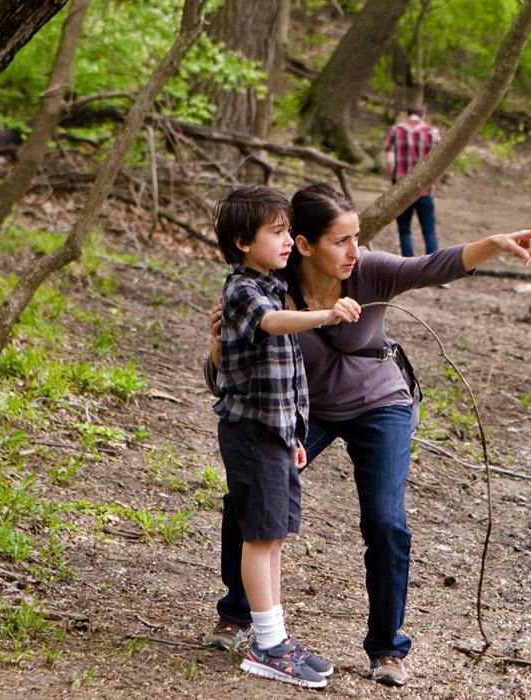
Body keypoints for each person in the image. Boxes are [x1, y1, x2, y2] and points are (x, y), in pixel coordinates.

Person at [205, 183, 531, 687]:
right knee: (248, 496)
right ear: (303, 245)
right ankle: (239, 618)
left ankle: (387, 648)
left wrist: (495, 243)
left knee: (386, 521)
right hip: (306, 410)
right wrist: (218, 340)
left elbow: (435, 264)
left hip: (380, 404)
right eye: (340, 241)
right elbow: (228, 368)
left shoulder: (370, 271)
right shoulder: (271, 286)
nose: (354, 251)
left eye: (357, 238)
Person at [211, 186, 361, 689]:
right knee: (260, 535)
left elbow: (288, 375)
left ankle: (273, 635)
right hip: (249, 432)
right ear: (241, 241)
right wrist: (325, 314)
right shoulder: (243, 291)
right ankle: (268, 644)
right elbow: (271, 327)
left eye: (285, 231)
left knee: (273, 535)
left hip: (274, 433)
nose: (284, 241)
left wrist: (295, 433)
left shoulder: (272, 284)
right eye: (274, 233)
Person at [384, 106, 441, 257]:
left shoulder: (396, 130)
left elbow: (390, 161)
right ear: (423, 116)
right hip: (426, 191)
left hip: (402, 191)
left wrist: (394, 182)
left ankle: (408, 269)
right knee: (429, 232)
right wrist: (435, 182)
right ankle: (434, 269)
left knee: (404, 231)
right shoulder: (431, 132)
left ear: (407, 115)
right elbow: (439, 161)